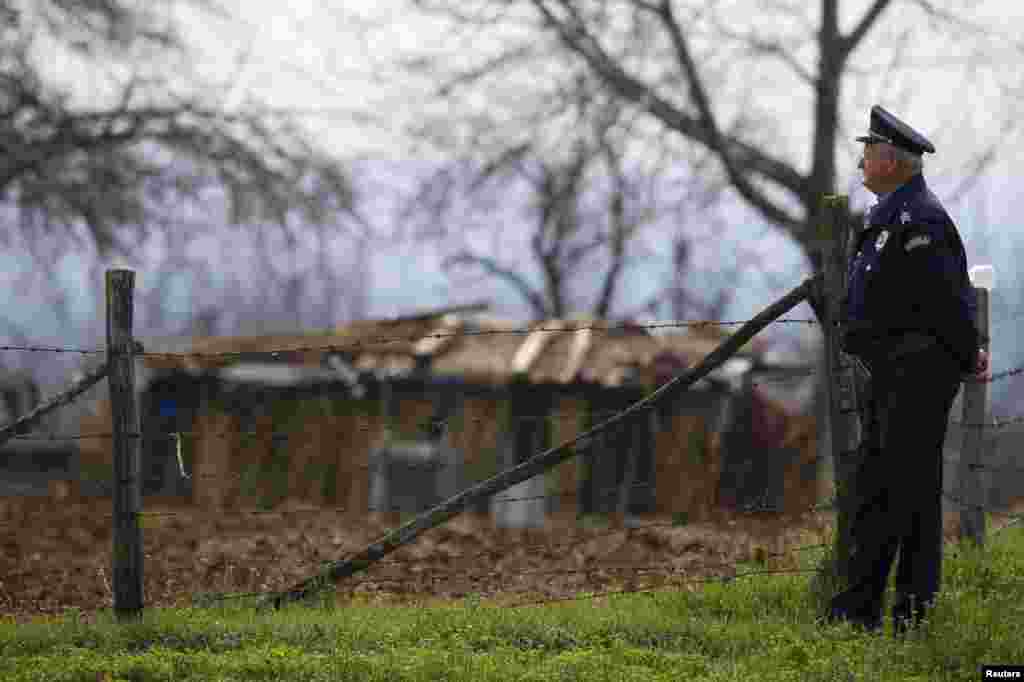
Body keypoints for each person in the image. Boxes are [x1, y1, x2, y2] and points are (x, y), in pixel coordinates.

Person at [827, 105, 989, 636]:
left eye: (868, 153)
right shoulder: (886, 217)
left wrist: (968, 354)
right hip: (888, 372)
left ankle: (877, 611)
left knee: (893, 491)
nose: (861, 164)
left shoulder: (921, 220)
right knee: (900, 491)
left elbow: (945, 302)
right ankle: (893, 612)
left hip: (917, 375)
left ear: (893, 162)